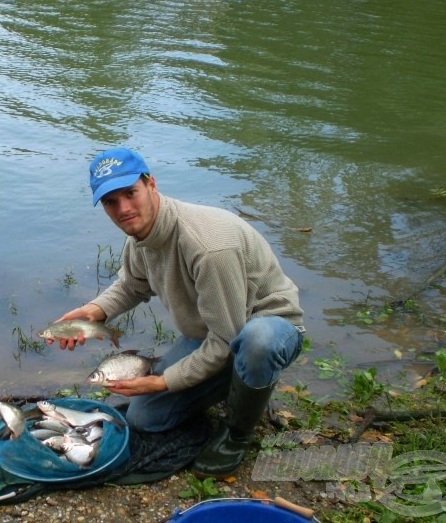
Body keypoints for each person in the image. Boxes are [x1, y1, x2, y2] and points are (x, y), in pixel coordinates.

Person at [52, 147, 305, 477]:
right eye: (111, 202)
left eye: (130, 193)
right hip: (212, 334)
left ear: (151, 184)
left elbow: (226, 339)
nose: (124, 209)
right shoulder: (141, 237)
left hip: (269, 327)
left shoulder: (208, 247)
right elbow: (132, 285)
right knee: (145, 419)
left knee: (257, 342)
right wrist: (95, 310)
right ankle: (237, 386)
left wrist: (161, 382)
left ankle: (238, 432)